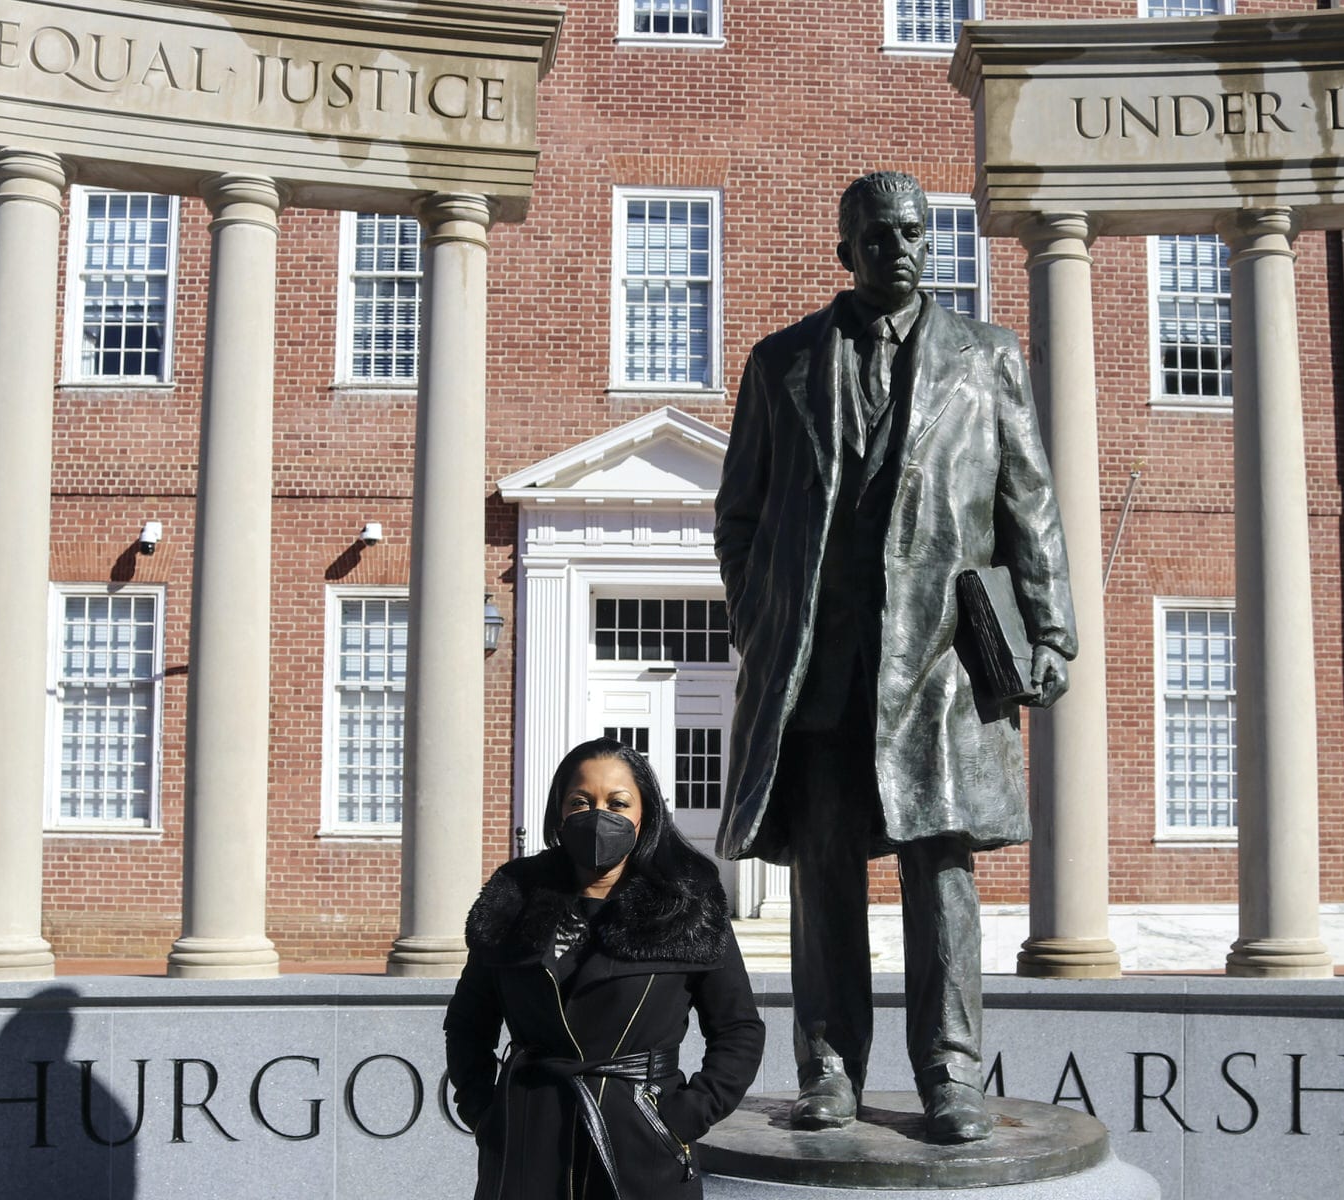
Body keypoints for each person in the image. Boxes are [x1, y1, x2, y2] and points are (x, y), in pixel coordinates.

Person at [714, 171, 1077, 1143]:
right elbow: (739, 515)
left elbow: (1026, 507)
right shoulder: (781, 363)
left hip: (943, 667)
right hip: (824, 668)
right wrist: (763, 615)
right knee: (824, 874)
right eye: (878, 235)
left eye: (914, 231)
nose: (900, 246)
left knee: (942, 877)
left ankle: (950, 1077)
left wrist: (1049, 632)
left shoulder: (986, 358)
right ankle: (828, 1069)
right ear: (846, 249)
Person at [446, 738, 764, 1200]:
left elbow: (738, 1028)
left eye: (617, 802)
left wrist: (680, 1118)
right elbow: (468, 1022)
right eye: (581, 801)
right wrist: (484, 1111)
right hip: (527, 1143)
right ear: (559, 812)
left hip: (640, 1144)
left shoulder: (686, 903)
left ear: (644, 813)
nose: (599, 815)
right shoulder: (514, 897)